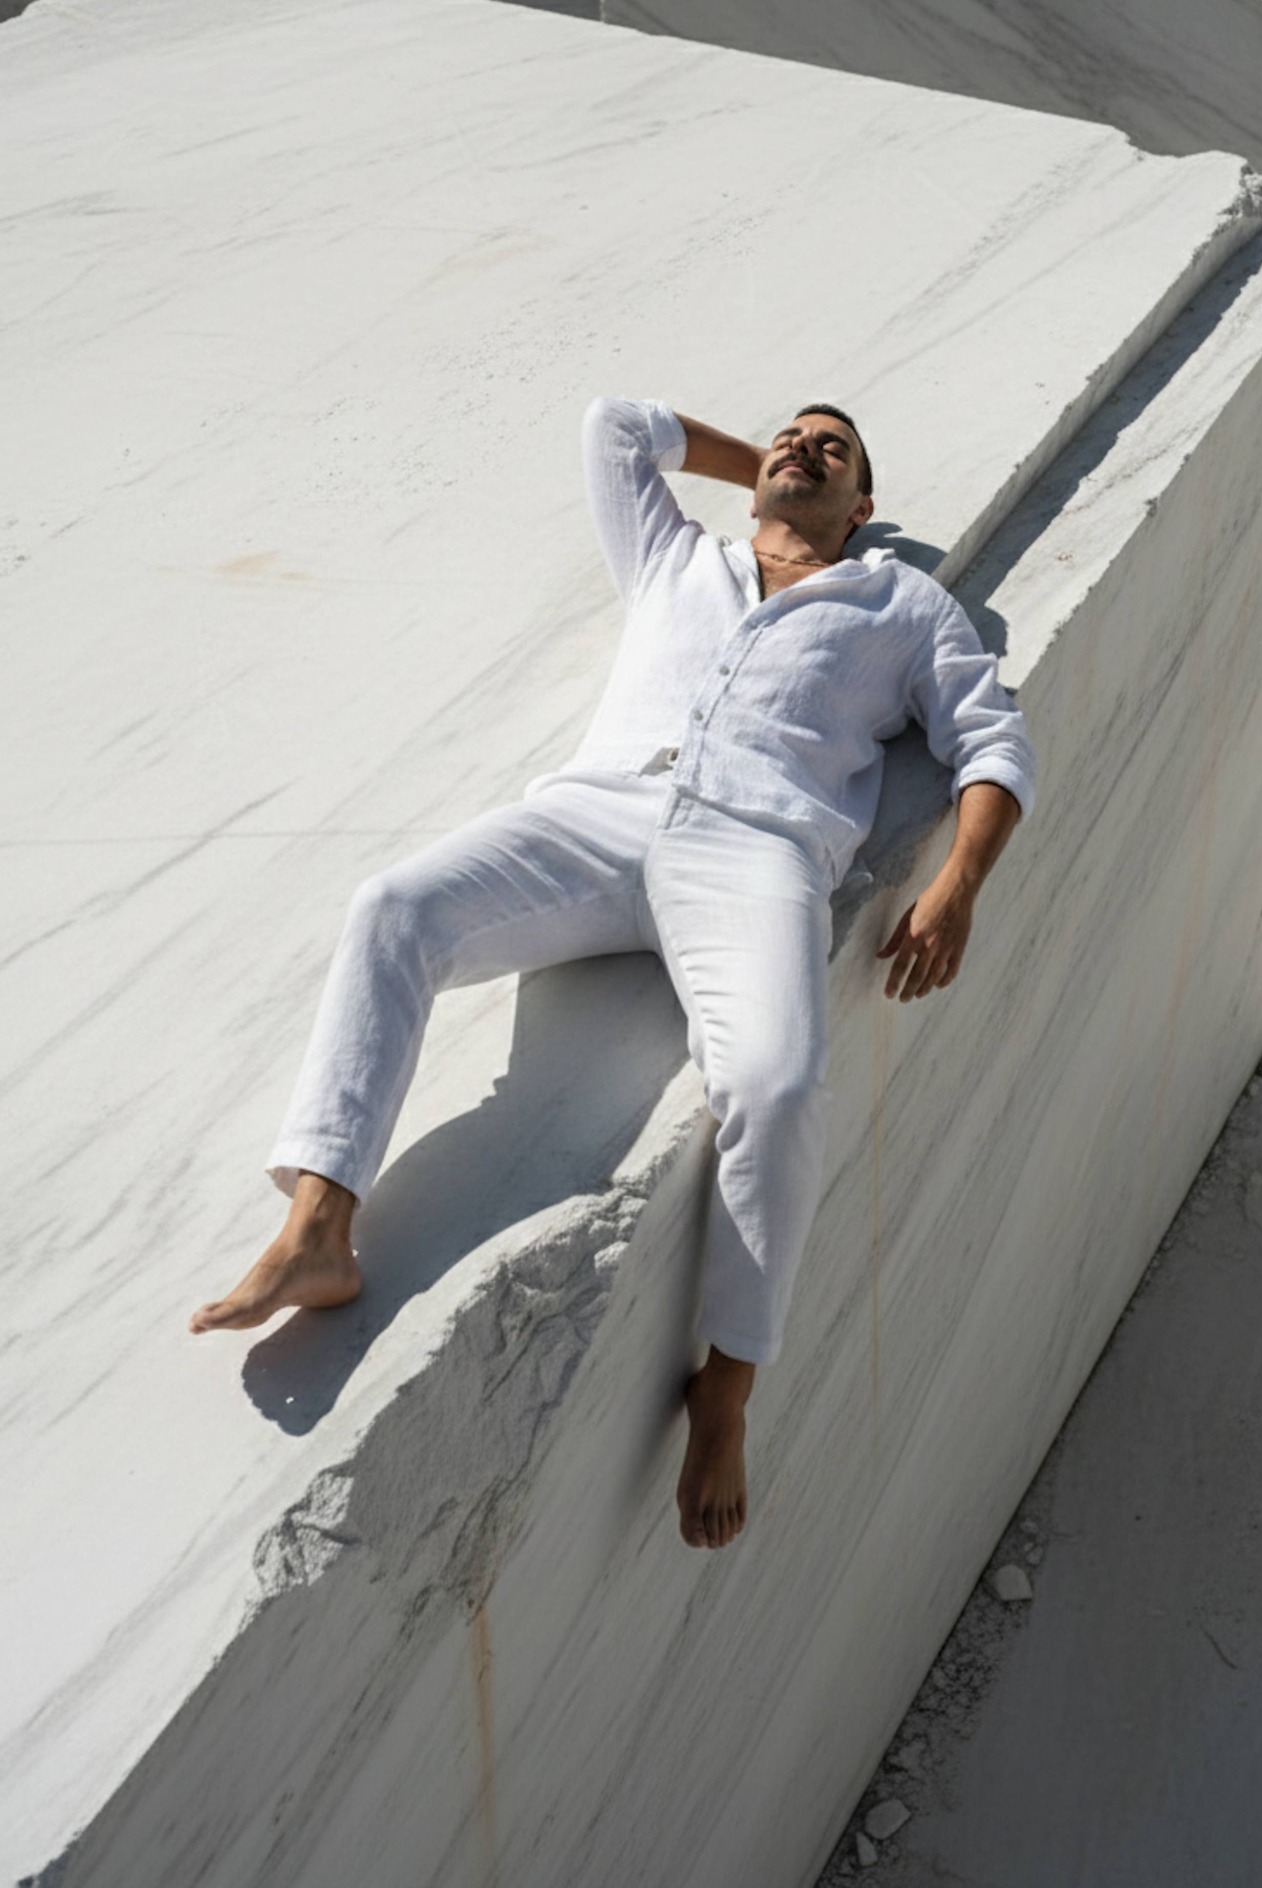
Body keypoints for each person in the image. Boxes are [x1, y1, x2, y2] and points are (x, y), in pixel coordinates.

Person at [191, 398, 1037, 1550]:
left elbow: (992, 739)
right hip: (593, 817)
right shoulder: (677, 556)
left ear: (867, 506)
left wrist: (959, 883)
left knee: (778, 1085)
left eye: (830, 450)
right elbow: (616, 427)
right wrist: (771, 476)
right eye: (789, 437)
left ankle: (726, 1386)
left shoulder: (901, 604)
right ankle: (319, 1224)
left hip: (755, 852)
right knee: (394, 906)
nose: (800, 448)